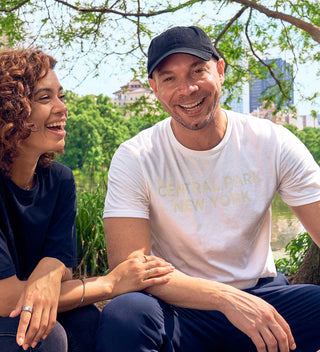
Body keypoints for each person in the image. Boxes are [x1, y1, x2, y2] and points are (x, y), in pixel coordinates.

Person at [97, 25, 320, 352]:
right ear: (155, 89)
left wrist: (242, 300)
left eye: (197, 71)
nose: (186, 89)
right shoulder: (136, 156)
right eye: (169, 78)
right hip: (179, 307)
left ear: (220, 70)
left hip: (261, 297)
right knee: (126, 314)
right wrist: (223, 298)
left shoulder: (271, 141)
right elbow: (129, 268)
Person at [0, 48, 174, 352]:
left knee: (87, 322)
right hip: (6, 310)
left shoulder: (60, 180)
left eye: (60, 96)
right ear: (9, 111)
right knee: (47, 336)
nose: (62, 108)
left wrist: (46, 275)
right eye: (45, 98)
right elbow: (7, 297)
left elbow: (63, 265)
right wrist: (109, 283)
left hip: (27, 307)